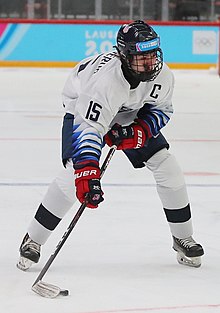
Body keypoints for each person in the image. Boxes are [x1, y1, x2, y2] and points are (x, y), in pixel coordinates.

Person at [17, 20, 204, 271]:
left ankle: (183, 237)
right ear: (125, 56)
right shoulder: (105, 83)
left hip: (130, 111)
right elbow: (89, 130)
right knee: (73, 175)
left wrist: (140, 131)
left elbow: (162, 109)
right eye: (141, 56)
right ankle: (34, 239)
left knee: (167, 165)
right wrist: (88, 174)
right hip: (82, 109)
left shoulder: (163, 76)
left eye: (153, 54)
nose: (150, 63)